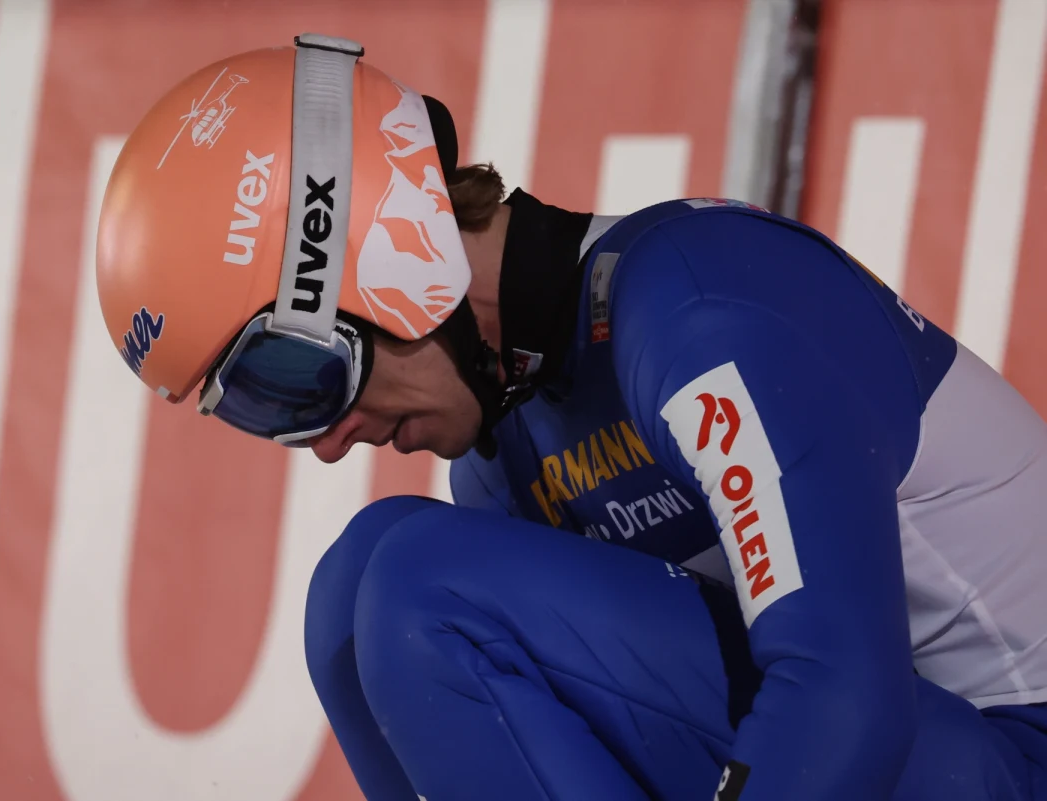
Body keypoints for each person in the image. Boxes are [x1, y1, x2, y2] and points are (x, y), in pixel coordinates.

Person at [96, 34, 1047, 801]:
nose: (329, 443)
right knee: (350, 599)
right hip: (928, 746)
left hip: (1003, 745)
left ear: (389, 257)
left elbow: (845, 704)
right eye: (265, 418)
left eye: (295, 380)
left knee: (419, 588)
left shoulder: (695, 312)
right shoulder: (507, 451)